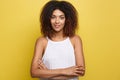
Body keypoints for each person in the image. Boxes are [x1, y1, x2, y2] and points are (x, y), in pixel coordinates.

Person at [31, 0, 85, 80]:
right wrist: (65, 71)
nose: (57, 21)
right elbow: (34, 72)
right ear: (48, 19)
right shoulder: (42, 41)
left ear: (67, 20)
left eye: (61, 17)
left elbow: (81, 72)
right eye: (53, 17)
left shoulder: (75, 40)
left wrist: (47, 72)